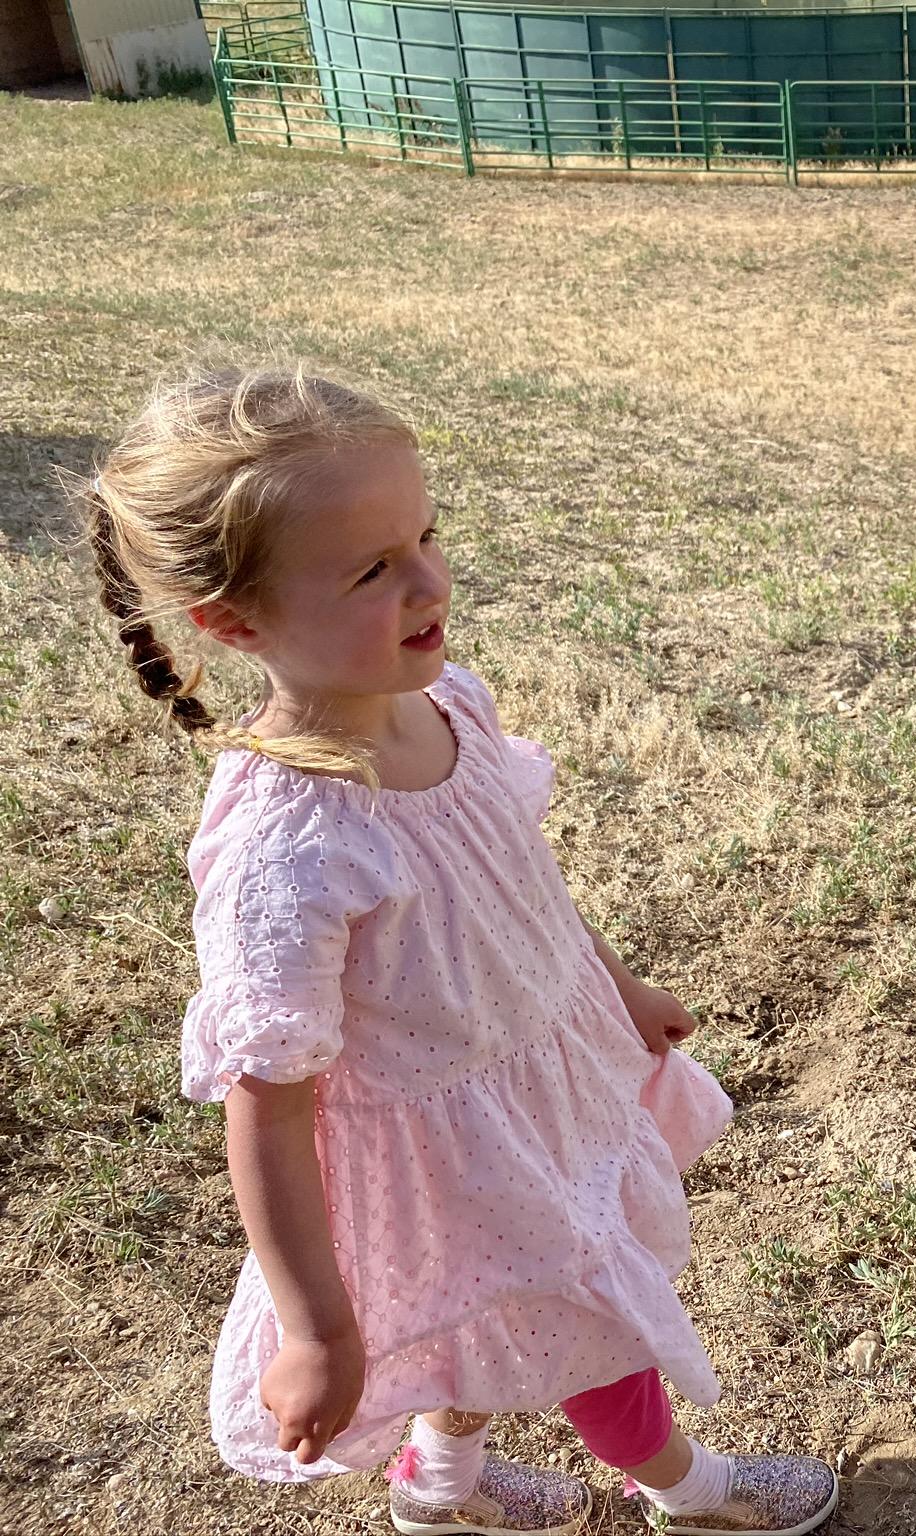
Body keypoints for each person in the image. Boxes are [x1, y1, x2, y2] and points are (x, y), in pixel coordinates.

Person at [81, 366, 838, 1536]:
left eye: (424, 536)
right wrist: (318, 1331)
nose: (430, 580)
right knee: (594, 1332)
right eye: (371, 569)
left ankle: (441, 1491)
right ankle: (693, 1495)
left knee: (492, 1329)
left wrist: (616, 985)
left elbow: (518, 883)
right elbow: (267, 1101)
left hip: (542, 1083)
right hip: (445, 1162)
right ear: (233, 624)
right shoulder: (291, 849)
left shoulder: (451, 708)